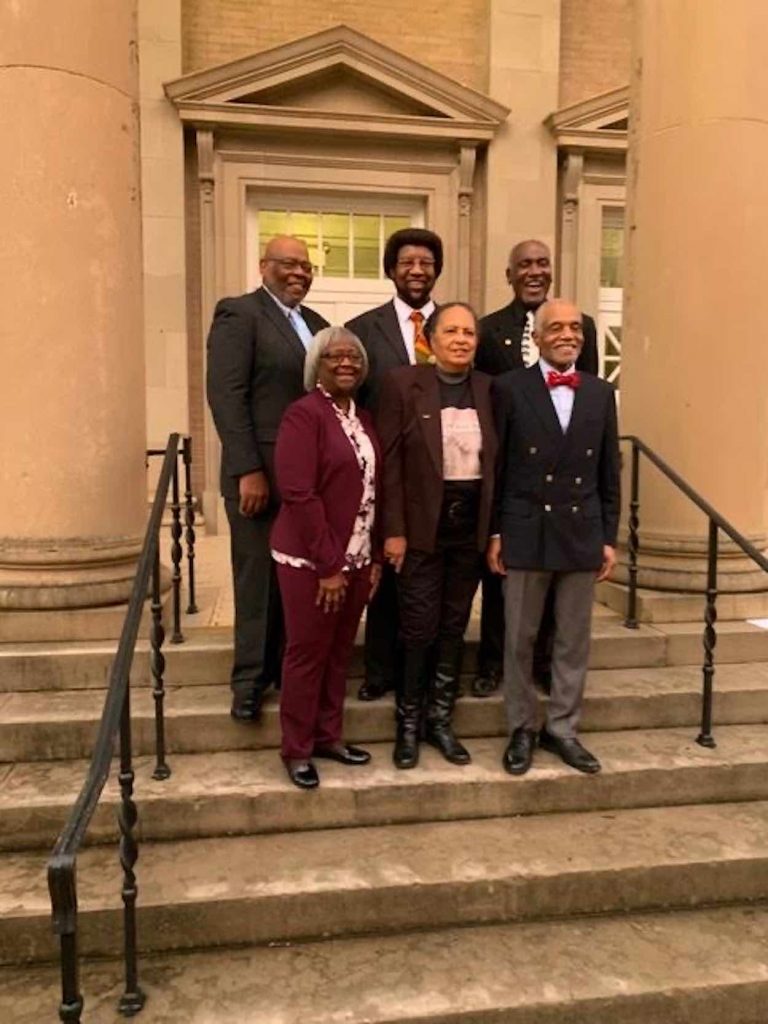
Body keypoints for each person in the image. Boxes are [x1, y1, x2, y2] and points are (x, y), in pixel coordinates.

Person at [488, 298, 620, 777]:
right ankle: (521, 727)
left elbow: (609, 471)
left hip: (582, 530)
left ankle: (562, 728)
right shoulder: (509, 388)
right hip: (525, 527)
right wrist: (497, 529)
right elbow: (498, 466)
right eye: (556, 327)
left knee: (572, 640)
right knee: (520, 637)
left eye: (575, 328)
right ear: (537, 336)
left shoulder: (601, 393)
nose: (567, 335)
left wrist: (609, 535)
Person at [206, 236, 328, 723]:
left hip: (307, 482)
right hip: (260, 480)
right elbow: (226, 396)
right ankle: (250, 683)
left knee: (294, 579)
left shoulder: (317, 326)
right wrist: (247, 469)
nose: (298, 272)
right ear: (264, 267)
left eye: (305, 265)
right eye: (287, 264)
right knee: (257, 581)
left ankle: (283, 667)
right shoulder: (240, 314)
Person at [472, 239, 599, 698]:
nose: (534, 271)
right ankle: (491, 662)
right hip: (515, 479)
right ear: (509, 274)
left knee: (556, 587)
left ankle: (545, 665)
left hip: (564, 484)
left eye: (542, 263)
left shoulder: (580, 326)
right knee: (500, 580)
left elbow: (588, 399)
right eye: (524, 264)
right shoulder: (488, 331)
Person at [377, 303, 497, 769]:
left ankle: (440, 722)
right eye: (451, 331)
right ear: (431, 337)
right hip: (420, 529)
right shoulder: (402, 385)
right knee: (419, 627)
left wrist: (493, 531)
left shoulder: (489, 389)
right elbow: (389, 465)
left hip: (469, 530)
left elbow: (496, 464)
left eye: (469, 332)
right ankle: (407, 726)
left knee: (452, 627)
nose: (462, 339)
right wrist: (394, 530)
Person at [270, 327, 382, 789]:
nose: (345, 363)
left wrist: (368, 556)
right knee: (306, 654)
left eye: (353, 355)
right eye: (334, 355)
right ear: (316, 364)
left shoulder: (363, 418)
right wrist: (330, 565)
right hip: (311, 562)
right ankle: (296, 749)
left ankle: (328, 736)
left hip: (356, 559)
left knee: (339, 654)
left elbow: (373, 490)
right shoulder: (304, 416)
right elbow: (299, 493)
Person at [346, 228, 444, 703]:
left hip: (444, 476)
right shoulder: (364, 329)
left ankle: (430, 668)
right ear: (390, 270)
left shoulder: (459, 325)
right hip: (386, 469)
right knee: (385, 570)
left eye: (426, 262)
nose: (417, 270)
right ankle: (380, 668)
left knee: (433, 574)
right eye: (407, 262)